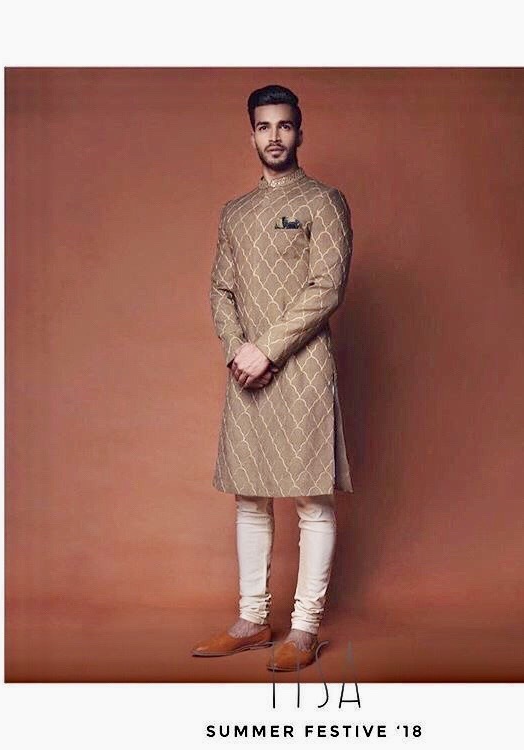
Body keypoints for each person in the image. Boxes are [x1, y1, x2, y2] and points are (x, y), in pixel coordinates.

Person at [191, 84, 354, 671]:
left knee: (312, 498)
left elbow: (327, 287)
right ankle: (253, 620)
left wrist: (267, 349)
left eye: (285, 125)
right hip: (247, 370)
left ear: (299, 132)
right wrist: (239, 349)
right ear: (252, 135)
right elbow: (221, 289)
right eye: (264, 126)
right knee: (250, 495)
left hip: (303, 367)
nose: (275, 136)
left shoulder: (324, 201)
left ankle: (305, 628)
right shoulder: (234, 212)